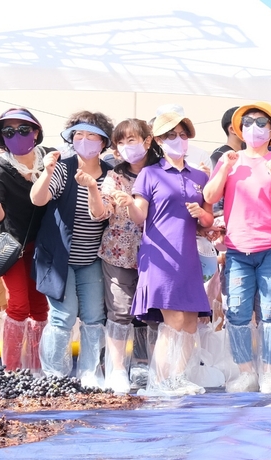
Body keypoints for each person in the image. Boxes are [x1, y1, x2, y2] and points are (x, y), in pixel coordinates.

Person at [203, 102, 271, 394]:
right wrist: (226, 167)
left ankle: (270, 372)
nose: (254, 128)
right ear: (238, 129)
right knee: (237, 313)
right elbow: (210, 195)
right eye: (248, 122)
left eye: (262, 123)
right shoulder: (228, 160)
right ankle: (246, 372)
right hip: (238, 250)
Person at [125, 110, 213, 396]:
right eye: (171, 135)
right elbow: (139, 215)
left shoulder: (200, 175)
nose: (178, 139)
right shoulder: (150, 174)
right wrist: (127, 202)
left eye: (183, 134)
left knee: (190, 321)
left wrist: (202, 213)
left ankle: (178, 377)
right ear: (158, 141)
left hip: (190, 256)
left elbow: (209, 220)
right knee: (173, 319)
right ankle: (161, 381)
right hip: (160, 256)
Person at [30, 111, 115, 387]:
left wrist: (92, 188)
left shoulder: (111, 175)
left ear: (103, 142)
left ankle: (90, 374)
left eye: (91, 135)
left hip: (91, 258)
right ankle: (54, 376)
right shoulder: (63, 168)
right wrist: (48, 171)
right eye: (79, 134)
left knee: (94, 316)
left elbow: (102, 214)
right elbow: (38, 199)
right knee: (63, 315)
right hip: (58, 259)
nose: (84, 140)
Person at [93, 118, 160, 393]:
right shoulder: (115, 175)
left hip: (158, 254)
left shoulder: (162, 170)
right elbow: (103, 207)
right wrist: (94, 194)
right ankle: (118, 369)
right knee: (120, 311)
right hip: (119, 252)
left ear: (147, 140)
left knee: (155, 313)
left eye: (131, 139)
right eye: (120, 142)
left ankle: (155, 369)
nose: (125, 146)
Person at [0, 109, 51, 372]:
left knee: (40, 307)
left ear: (36, 132)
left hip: (43, 246)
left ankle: (36, 369)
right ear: (1, 137)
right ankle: (11, 371)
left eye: (23, 129)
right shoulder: (0, 169)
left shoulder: (50, 160)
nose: (17, 135)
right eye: (9, 131)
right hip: (12, 246)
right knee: (19, 304)